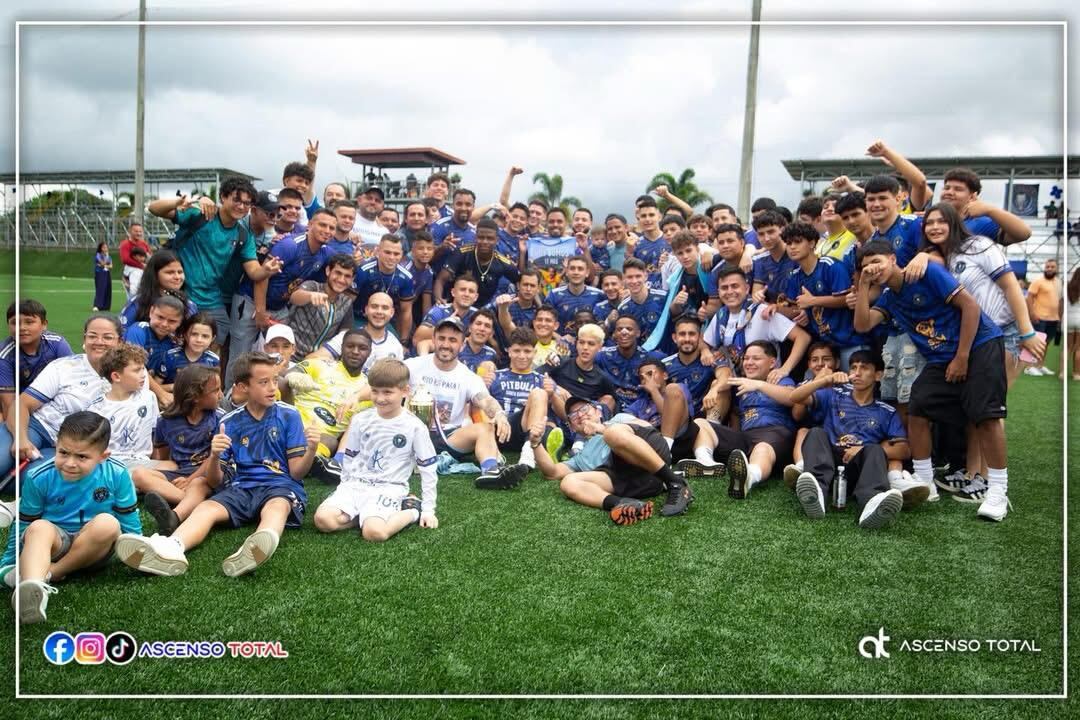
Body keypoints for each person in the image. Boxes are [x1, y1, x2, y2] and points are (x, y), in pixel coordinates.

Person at [115, 352, 321, 577]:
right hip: (241, 487)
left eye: (274, 380)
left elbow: (297, 472)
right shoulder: (229, 422)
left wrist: (311, 449)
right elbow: (215, 481)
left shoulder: (289, 415)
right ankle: (171, 548)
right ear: (243, 387)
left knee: (277, 507)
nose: (273, 387)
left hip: (280, 486)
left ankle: (255, 547)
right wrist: (214, 456)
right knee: (206, 508)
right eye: (263, 382)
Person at [854, 240, 1011, 521]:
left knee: (987, 416)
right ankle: (926, 482)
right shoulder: (889, 298)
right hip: (942, 358)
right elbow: (863, 324)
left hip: (980, 344)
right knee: (917, 409)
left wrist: (962, 357)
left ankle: (998, 490)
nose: (871, 269)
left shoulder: (927, 274)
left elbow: (971, 307)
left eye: (876, 261)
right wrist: (863, 286)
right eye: (865, 267)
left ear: (892, 258)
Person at [2, 412, 141, 624]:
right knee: (39, 527)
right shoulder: (38, 476)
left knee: (108, 523)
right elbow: (25, 523)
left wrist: (137, 550)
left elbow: (129, 520)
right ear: (56, 446)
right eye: (63, 452)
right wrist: (8, 564)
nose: (70, 463)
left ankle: (50, 574)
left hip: (94, 548)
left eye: (82, 457)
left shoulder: (117, 473)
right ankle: (31, 590)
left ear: (103, 456)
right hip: (55, 544)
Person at [785, 351, 922, 529]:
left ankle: (870, 505)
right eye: (853, 368)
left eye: (864, 368)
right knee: (816, 432)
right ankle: (816, 493)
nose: (856, 373)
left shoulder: (886, 411)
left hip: (860, 471)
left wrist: (863, 449)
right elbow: (794, 397)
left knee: (874, 450)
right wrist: (825, 381)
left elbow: (904, 450)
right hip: (830, 464)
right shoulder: (834, 395)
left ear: (878, 375)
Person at [147, 176, 284, 346]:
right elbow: (153, 208)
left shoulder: (243, 235)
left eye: (247, 203)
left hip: (212, 300)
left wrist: (267, 269)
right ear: (223, 198)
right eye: (236, 199)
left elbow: (254, 271)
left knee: (214, 346)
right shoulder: (201, 214)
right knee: (173, 346)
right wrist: (179, 202)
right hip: (181, 294)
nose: (241, 206)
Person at [312, 358, 438, 539]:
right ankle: (363, 516)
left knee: (374, 533)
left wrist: (428, 510)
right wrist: (345, 485)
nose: (380, 398)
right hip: (355, 485)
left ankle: (412, 509)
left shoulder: (415, 426)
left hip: (388, 488)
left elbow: (428, 468)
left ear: (405, 391)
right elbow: (350, 458)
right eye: (375, 391)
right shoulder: (360, 420)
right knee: (323, 520)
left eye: (387, 392)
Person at [403, 317, 529, 490]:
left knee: (486, 428)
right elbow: (383, 381)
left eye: (453, 340)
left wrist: (499, 415)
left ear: (462, 345)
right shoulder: (413, 365)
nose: (446, 344)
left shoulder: (467, 376)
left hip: (448, 437)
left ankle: (491, 472)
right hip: (411, 433)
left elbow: (484, 399)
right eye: (442, 338)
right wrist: (355, 397)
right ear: (433, 340)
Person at [530, 395, 693, 524]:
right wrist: (536, 443)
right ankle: (623, 504)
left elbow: (646, 429)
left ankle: (675, 482)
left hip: (653, 456)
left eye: (585, 408)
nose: (580, 414)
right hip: (633, 482)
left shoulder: (618, 419)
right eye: (573, 414)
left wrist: (601, 429)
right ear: (572, 427)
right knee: (568, 482)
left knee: (612, 434)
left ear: (598, 412)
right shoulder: (582, 455)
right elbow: (552, 473)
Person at [0, 313, 122, 479]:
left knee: (42, 479)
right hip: (36, 428)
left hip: (74, 447)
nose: (99, 342)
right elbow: (21, 404)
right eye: (92, 336)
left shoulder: (130, 374)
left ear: (120, 341)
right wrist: (21, 438)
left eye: (107, 337)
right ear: (84, 339)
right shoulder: (64, 366)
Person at [676, 341, 797, 499]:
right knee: (701, 424)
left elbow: (792, 398)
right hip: (745, 437)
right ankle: (705, 462)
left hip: (774, 435)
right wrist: (715, 389)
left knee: (761, 448)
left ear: (772, 362)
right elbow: (725, 377)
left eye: (756, 358)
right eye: (746, 358)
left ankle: (748, 478)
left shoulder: (780, 380)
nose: (749, 363)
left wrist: (758, 385)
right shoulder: (741, 383)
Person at [229, 207, 337, 383]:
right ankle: (232, 397)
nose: (327, 231)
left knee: (278, 356)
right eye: (322, 225)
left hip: (280, 307)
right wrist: (261, 311)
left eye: (332, 228)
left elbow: (344, 265)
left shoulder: (325, 253)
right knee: (241, 355)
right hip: (251, 301)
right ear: (309, 224)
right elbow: (263, 277)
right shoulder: (290, 245)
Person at [132, 364, 221, 536]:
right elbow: (163, 454)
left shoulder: (218, 418)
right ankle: (192, 500)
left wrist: (190, 479)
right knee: (139, 475)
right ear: (195, 397)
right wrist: (174, 473)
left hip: (207, 473)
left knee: (198, 484)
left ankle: (175, 515)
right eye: (215, 390)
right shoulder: (166, 420)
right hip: (181, 471)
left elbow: (214, 457)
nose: (221, 394)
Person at [281, 329, 373, 479]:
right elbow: (284, 374)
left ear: (369, 352)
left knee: (330, 440)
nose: (355, 351)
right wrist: (294, 376)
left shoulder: (368, 387)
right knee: (280, 383)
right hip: (291, 424)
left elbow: (389, 389)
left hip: (320, 438)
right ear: (342, 348)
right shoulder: (321, 365)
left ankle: (310, 462)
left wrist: (357, 396)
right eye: (350, 346)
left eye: (362, 348)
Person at [781, 222, 869, 370]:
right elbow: (796, 305)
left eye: (797, 242)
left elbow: (848, 300)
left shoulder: (831, 266)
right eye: (788, 243)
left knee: (852, 387)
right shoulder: (794, 276)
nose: (792, 247)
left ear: (811, 243)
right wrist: (798, 312)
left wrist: (813, 301)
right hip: (824, 347)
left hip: (851, 342)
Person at [703, 266, 810, 377]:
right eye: (724, 288)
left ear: (747, 288)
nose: (730, 291)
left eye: (735, 286)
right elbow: (704, 342)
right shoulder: (721, 315)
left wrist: (785, 369)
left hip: (766, 385)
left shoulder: (762, 311)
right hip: (734, 384)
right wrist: (705, 351)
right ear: (718, 292)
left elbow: (803, 337)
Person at [487, 327, 562, 468]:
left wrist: (552, 395)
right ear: (508, 351)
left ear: (534, 352)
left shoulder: (543, 379)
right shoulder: (496, 376)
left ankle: (528, 452)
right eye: (517, 351)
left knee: (539, 394)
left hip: (527, 431)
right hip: (499, 430)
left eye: (527, 351)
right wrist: (484, 386)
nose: (522, 356)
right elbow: (479, 405)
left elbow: (564, 415)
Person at [87, 343, 160, 471]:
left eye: (143, 369)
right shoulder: (96, 410)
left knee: (173, 467)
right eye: (137, 370)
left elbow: (155, 434)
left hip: (144, 463)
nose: (143, 374)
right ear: (116, 376)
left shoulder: (148, 398)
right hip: (112, 465)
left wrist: (156, 462)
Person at [0, 300, 72, 424]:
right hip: (20, 405)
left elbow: (73, 381)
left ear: (44, 324)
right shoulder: (5, 355)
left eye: (29, 322)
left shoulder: (57, 344)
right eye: (15, 323)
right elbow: (9, 406)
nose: (22, 328)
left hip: (49, 403)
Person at [435, 218, 521, 308]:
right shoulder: (461, 253)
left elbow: (520, 281)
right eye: (481, 237)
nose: (485, 242)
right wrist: (439, 299)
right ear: (475, 237)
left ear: (497, 240)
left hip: (485, 311)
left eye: (490, 238)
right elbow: (440, 280)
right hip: (457, 305)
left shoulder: (503, 262)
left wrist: (514, 302)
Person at [543, 323, 618, 421]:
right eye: (582, 342)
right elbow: (536, 376)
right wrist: (556, 388)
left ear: (600, 347)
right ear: (576, 344)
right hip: (555, 413)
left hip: (582, 420)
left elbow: (612, 401)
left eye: (591, 344)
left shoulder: (602, 378)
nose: (585, 347)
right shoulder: (560, 362)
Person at [288, 253, 356, 359]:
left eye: (347, 276)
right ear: (328, 271)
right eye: (338, 273)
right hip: (291, 356)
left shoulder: (346, 302)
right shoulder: (312, 286)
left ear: (352, 279)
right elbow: (294, 297)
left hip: (319, 360)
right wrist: (310, 296)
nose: (341, 280)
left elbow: (344, 334)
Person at [313, 292, 403, 372]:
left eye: (385, 308)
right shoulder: (348, 336)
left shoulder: (395, 346)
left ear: (392, 312)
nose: (379, 311)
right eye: (374, 306)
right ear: (366, 310)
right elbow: (313, 359)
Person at [352, 234, 416, 341]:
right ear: (377, 252)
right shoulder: (362, 270)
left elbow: (406, 311)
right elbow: (347, 302)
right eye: (387, 252)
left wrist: (403, 341)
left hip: (384, 321)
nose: (392, 257)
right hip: (358, 317)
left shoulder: (406, 278)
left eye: (396, 254)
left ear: (402, 255)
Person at [119, 249, 197, 332]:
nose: (177, 277)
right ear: (155, 275)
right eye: (170, 272)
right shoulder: (138, 304)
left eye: (180, 272)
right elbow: (121, 335)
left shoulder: (190, 306)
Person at [595, 314, 662, 408]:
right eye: (619, 329)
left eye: (629, 329)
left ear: (638, 333)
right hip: (613, 407)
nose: (624, 332)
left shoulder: (650, 358)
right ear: (614, 334)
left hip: (641, 409)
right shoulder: (602, 356)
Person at [412, 274, 480, 355]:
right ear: (453, 292)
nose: (466, 294)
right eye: (462, 290)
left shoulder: (477, 315)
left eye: (471, 291)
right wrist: (446, 324)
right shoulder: (439, 310)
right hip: (427, 356)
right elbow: (416, 339)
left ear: (476, 297)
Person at [153, 312, 220, 394]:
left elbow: (216, 390)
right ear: (185, 335)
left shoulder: (214, 360)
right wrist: (176, 387)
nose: (199, 340)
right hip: (172, 402)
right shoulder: (170, 356)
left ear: (212, 338)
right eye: (194, 334)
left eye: (205, 336)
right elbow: (155, 388)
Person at [1025, 258, 1061, 377]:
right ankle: (1029, 367)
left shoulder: (1058, 282)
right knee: (1036, 343)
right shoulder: (1038, 281)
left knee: (1046, 343)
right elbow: (1029, 297)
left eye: (1052, 267)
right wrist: (1032, 314)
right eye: (1047, 267)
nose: (1049, 269)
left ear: (1056, 269)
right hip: (1039, 318)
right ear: (1044, 268)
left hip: (1053, 319)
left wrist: (1059, 316)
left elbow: (1059, 300)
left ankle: (1040, 365)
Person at [616, 258, 668, 340]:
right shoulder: (623, 308)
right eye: (630, 277)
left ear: (646, 276)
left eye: (638, 276)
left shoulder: (663, 298)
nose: (634, 281)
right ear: (624, 279)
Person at [749, 210, 794, 303]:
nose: (766, 238)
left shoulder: (797, 255)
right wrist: (757, 296)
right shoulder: (760, 261)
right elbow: (756, 294)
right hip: (773, 312)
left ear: (782, 230)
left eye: (771, 232)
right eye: (761, 234)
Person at [430, 188, 478, 273]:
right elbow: (426, 259)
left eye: (468, 204)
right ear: (453, 205)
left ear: (473, 207)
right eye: (459, 204)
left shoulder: (474, 232)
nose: (463, 208)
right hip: (438, 282)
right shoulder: (438, 226)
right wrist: (442, 247)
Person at [547, 256, 605, 327]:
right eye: (572, 268)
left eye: (580, 269)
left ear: (587, 273)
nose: (576, 272)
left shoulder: (599, 295)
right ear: (567, 272)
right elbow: (545, 322)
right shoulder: (554, 295)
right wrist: (559, 337)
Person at [632, 196, 669, 288]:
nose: (648, 219)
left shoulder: (671, 241)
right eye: (643, 216)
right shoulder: (636, 244)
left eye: (651, 215)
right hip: (645, 295)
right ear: (638, 219)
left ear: (659, 217)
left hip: (669, 293)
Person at [457, 309, 499, 374]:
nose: (482, 329)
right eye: (478, 324)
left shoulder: (492, 354)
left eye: (487, 326)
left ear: (491, 333)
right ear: (470, 328)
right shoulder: (456, 347)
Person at [119, 222, 151, 301]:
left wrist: (148, 265)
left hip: (144, 272)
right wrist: (142, 266)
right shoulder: (125, 244)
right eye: (136, 231)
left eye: (140, 231)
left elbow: (149, 257)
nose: (138, 233)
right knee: (133, 293)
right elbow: (125, 259)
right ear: (130, 231)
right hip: (131, 272)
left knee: (144, 293)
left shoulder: (144, 244)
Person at [1066, 267, 1080, 381]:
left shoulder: (1068, 286)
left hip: (1069, 318)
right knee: (1078, 348)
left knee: (1068, 347)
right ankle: (1076, 374)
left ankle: (1062, 373)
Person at [93, 242, 113, 312]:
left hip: (107, 273)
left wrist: (105, 265)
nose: (106, 249)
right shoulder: (98, 255)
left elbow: (111, 266)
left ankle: (106, 306)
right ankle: (97, 305)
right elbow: (102, 263)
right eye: (104, 247)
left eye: (106, 247)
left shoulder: (108, 256)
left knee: (107, 288)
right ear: (100, 248)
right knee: (100, 288)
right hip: (99, 273)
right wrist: (105, 263)